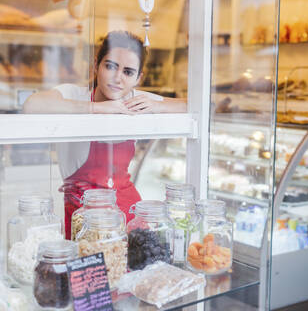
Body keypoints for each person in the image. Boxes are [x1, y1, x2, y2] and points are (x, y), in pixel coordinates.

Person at [23, 30, 186, 238]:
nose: (118, 78)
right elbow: (32, 105)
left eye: (128, 72)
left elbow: (197, 105)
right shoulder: (74, 94)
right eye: (110, 66)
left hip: (127, 213)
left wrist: (156, 105)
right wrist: (97, 108)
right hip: (84, 217)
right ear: (96, 66)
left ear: (138, 78)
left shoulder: (135, 98)